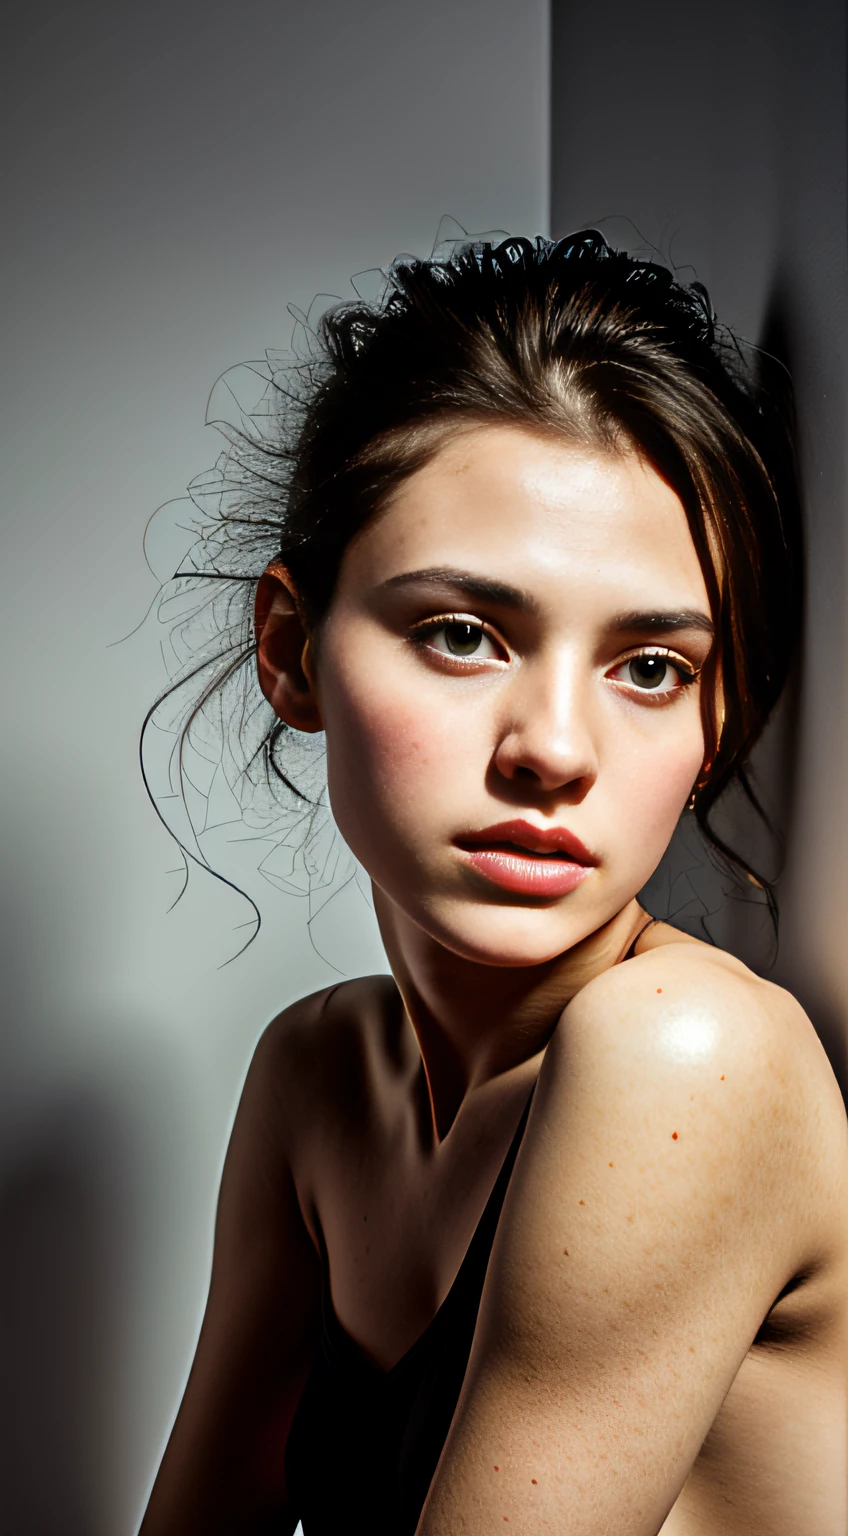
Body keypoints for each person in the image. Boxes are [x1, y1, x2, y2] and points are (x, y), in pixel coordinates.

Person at [138, 232, 847, 1536]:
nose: (556, 751)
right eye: (463, 633)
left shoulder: (690, 1055)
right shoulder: (317, 1077)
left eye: (650, 667)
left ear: (721, 715)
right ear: (291, 651)